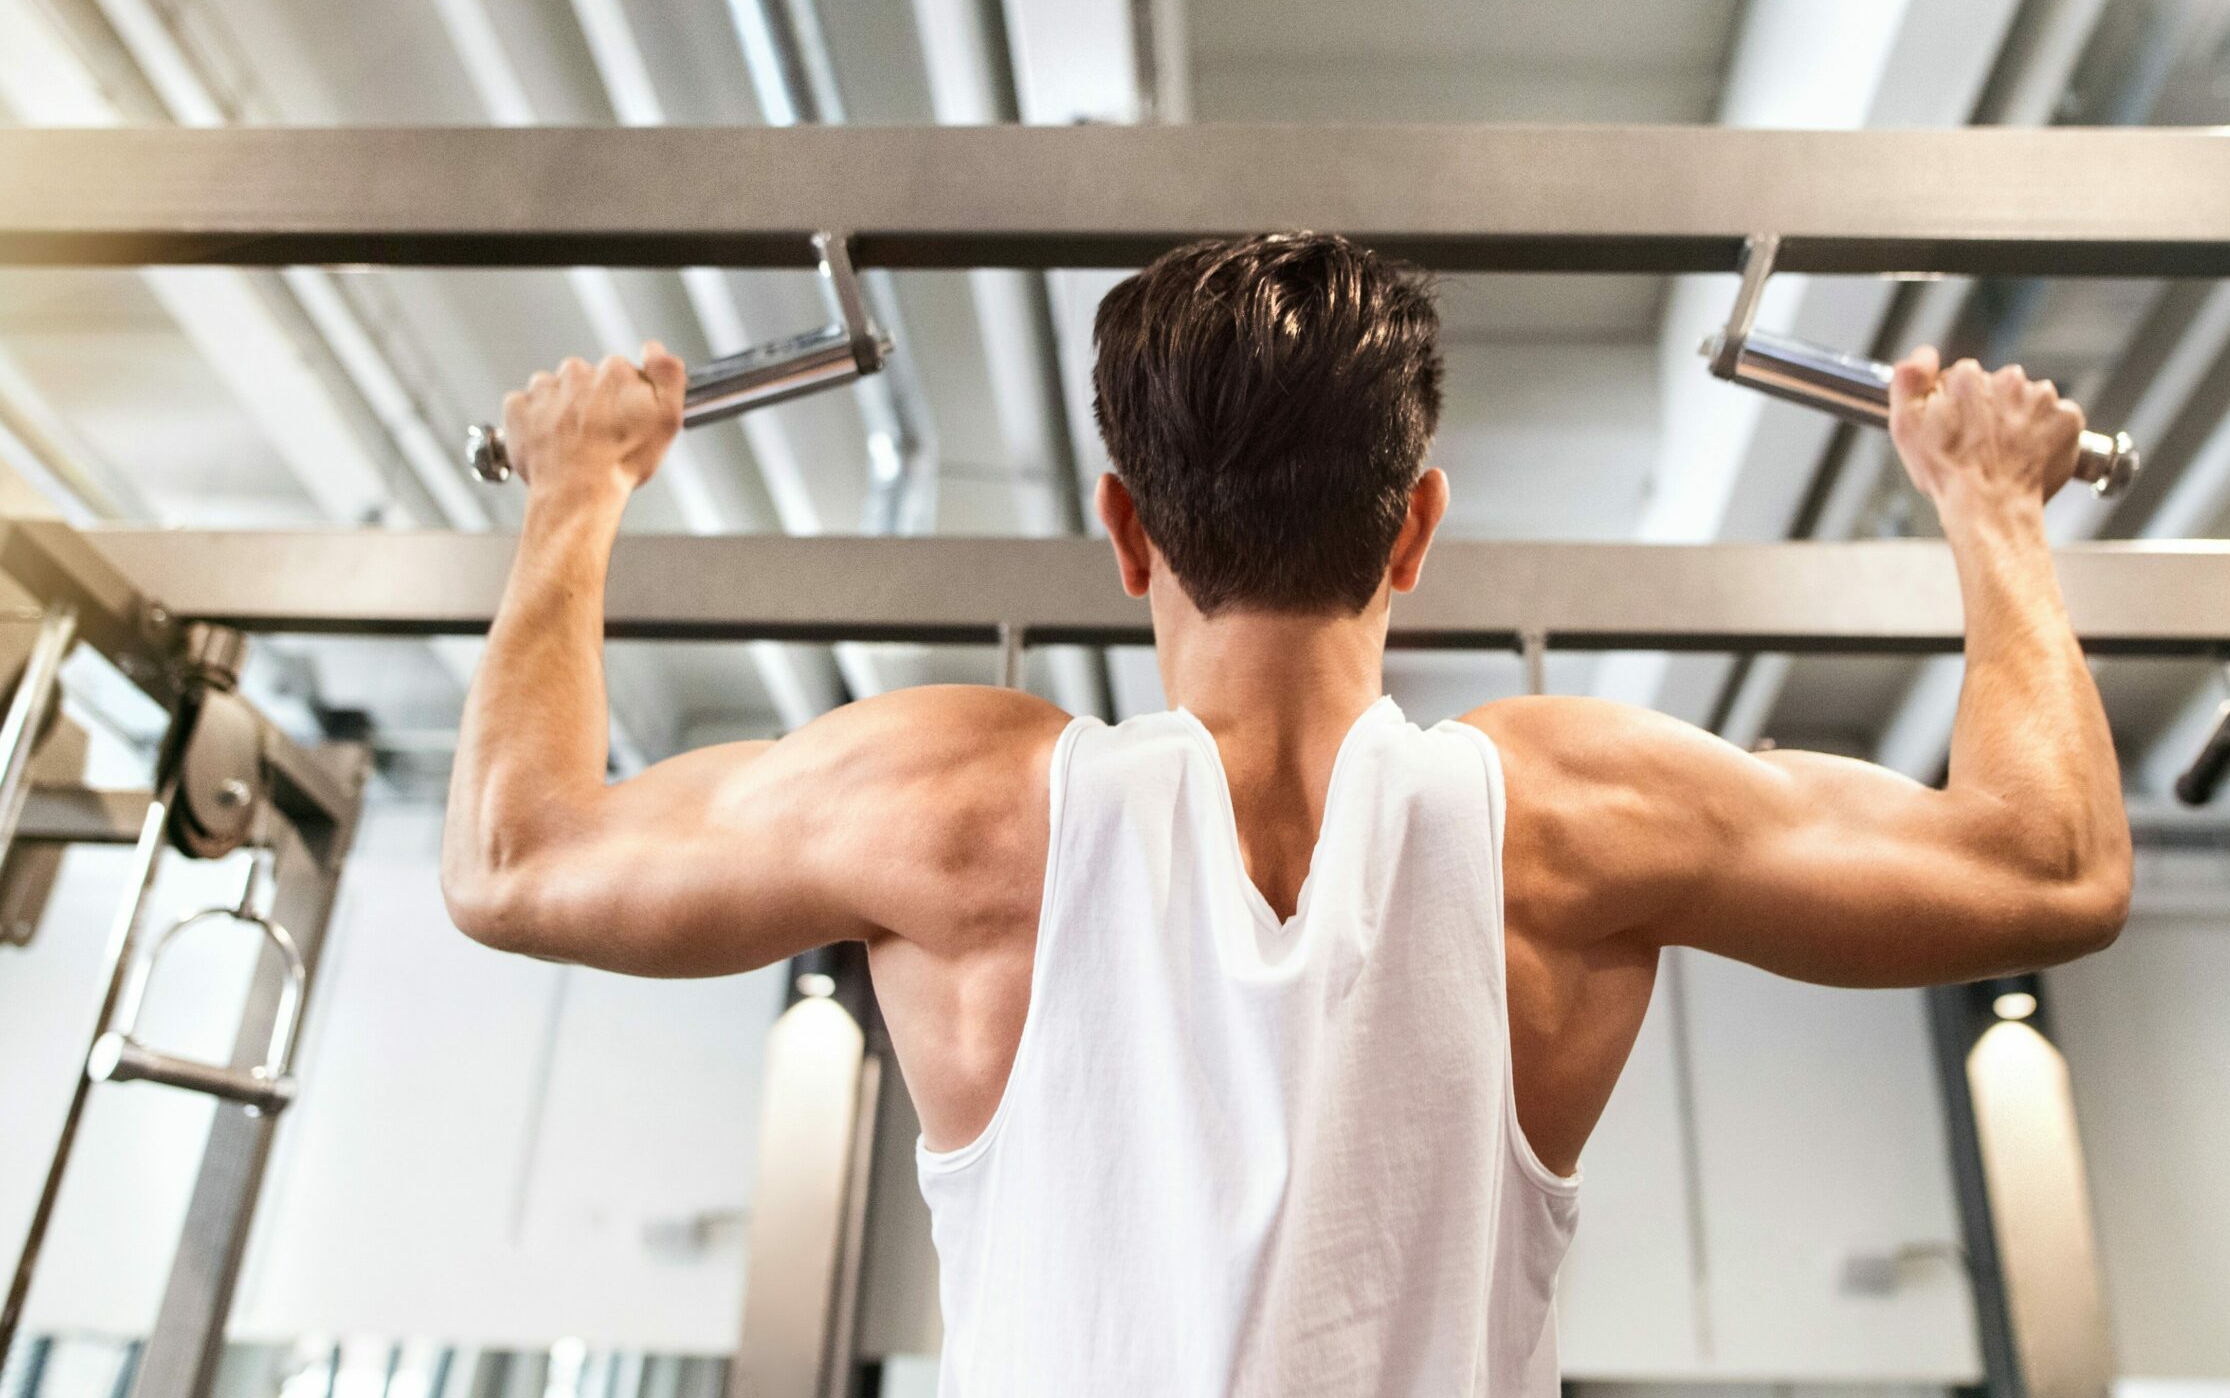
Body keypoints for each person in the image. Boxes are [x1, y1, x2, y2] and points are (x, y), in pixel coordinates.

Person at [442, 232, 2130, 1396]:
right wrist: (1992, 508)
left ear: (1123, 528)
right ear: (1416, 531)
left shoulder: (954, 804)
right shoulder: (1568, 814)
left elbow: (516, 859)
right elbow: (2047, 866)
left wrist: (575, 496)